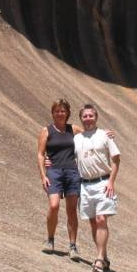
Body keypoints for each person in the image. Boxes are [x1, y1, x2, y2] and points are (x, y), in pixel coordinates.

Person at [74, 103, 121, 272]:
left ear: (96, 117)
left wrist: (111, 181)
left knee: (101, 220)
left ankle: (99, 259)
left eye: (90, 116)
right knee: (93, 222)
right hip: (85, 185)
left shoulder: (105, 135)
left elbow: (116, 159)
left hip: (103, 183)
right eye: (84, 116)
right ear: (81, 119)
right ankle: (104, 255)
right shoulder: (77, 139)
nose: (88, 119)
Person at [37, 99, 83, 260]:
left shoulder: (74, 129)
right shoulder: (46, 131)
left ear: (67, 113)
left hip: (72, 172)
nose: (60, 113)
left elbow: (90, 139)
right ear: (53, 112)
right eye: (57, 110)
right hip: (54, 171)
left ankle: (73, 246)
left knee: (71, 210)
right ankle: (50, 239)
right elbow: (41, 154)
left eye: (63, 111)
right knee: (54, 205)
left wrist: (104, 134)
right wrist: (43, 175)